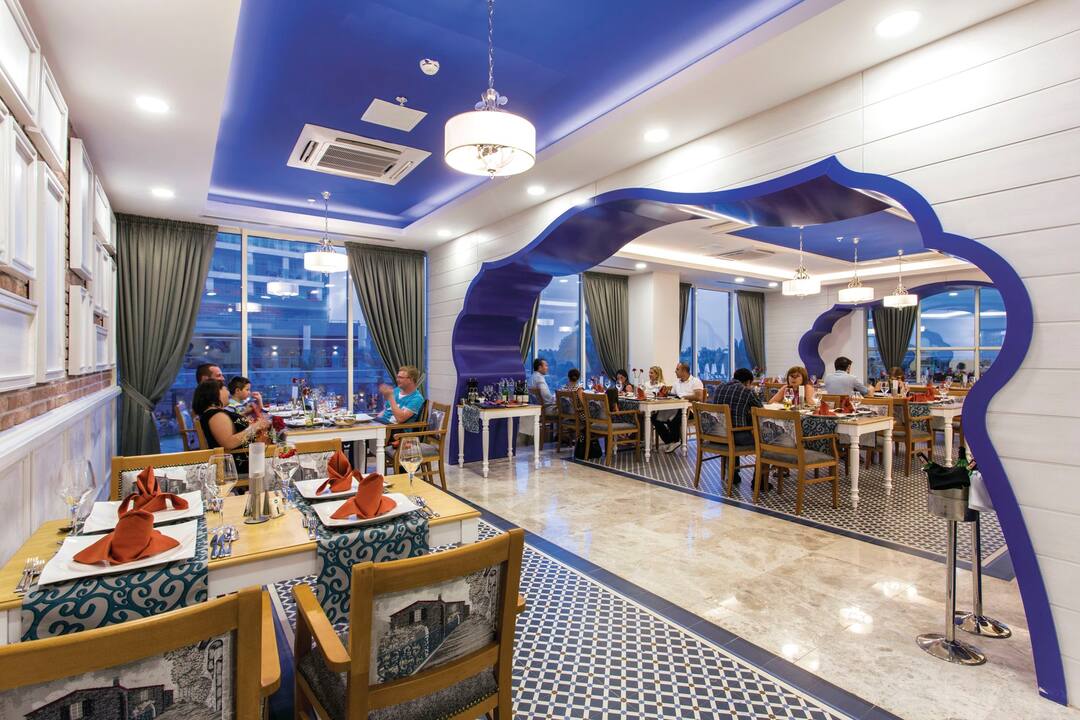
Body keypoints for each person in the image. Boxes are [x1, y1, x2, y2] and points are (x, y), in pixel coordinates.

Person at [193, 379, 269, 473]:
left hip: (246, 457)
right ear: (216, 392)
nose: (228, 392)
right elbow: (229, 443)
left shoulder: (214, 413)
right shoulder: (217, 416)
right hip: (239, 464)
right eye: (225, 389)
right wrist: (255, 427)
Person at [709, 368, 763, 482]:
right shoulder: (746, 391)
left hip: (716, 434)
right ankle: (759, 481)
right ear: (748, 382)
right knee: (765, 441)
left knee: (732, 426)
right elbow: (761, 410)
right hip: (736, 437)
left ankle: (734, 475)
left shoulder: (719, 387)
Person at [654, 363, 704, 452]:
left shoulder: (696, 381)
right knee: (654, 417)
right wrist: (666, 394)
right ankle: (670, 441)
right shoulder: (676, 383)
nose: (675, 371)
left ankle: (675, 440)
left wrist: (683, 397)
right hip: (676, 408)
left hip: (691, 410)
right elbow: (673, 396)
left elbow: (699, 397)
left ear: (684, 371)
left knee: (673, 417)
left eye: (677, 369)